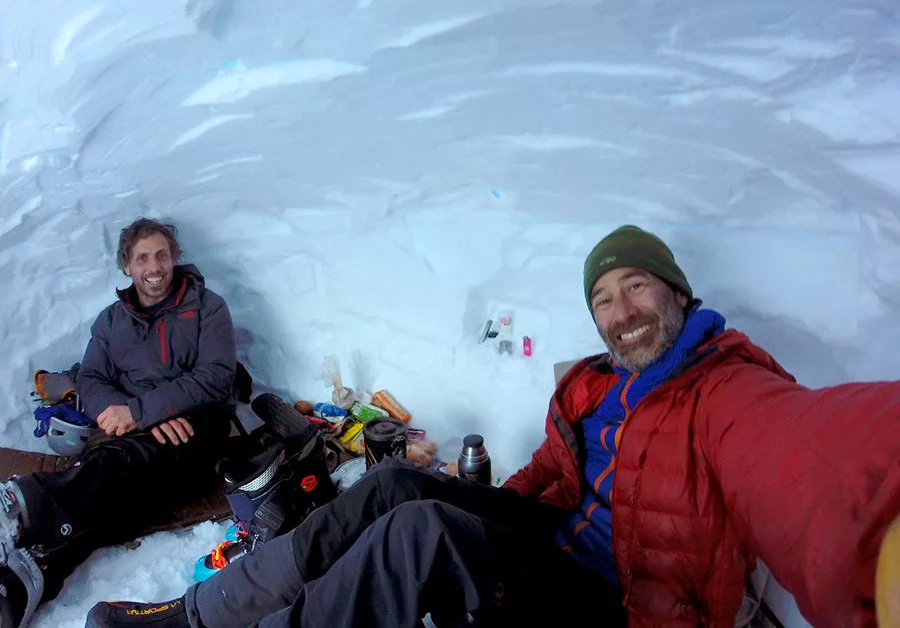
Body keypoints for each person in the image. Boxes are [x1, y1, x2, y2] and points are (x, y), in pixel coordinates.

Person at [86, 225, 900, 628]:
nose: (621, 311)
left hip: (625, 597)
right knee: (400, 484)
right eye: (604, 298)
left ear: (677, 292)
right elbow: (550, 469)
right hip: (561, 539)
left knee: (419, 533)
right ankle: (198, 616)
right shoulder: (595, 385)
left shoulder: (721, 388)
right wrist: (482, 507)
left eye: (637, 287)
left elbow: (806, 451)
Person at [0, 217, 237, 628]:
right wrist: (128, 414)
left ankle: (25, 502)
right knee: (117, 498)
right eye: (142, 257)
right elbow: (90, 379)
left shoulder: (207, 307)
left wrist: (144, 413)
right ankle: (29, 578)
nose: (154, 267)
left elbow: (216, 376)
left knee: (112, 469)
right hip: (132, 434)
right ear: (127, 266)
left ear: (175, 259)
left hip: (197, 428)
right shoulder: (111, 321)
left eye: (162, 255)